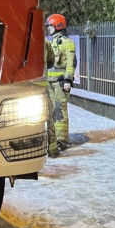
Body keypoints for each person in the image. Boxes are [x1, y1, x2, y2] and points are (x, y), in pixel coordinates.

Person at [45, 12, 76, 157]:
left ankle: (62, 140)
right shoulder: (51, 42)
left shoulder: (67, 42)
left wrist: (68, 80)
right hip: (50, 82)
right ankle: (54, 138)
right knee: (52, 110)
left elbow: (71, 62)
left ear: (57, 26)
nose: (48, 29)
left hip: (60, 82)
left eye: (50, 26)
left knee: (60, 110)